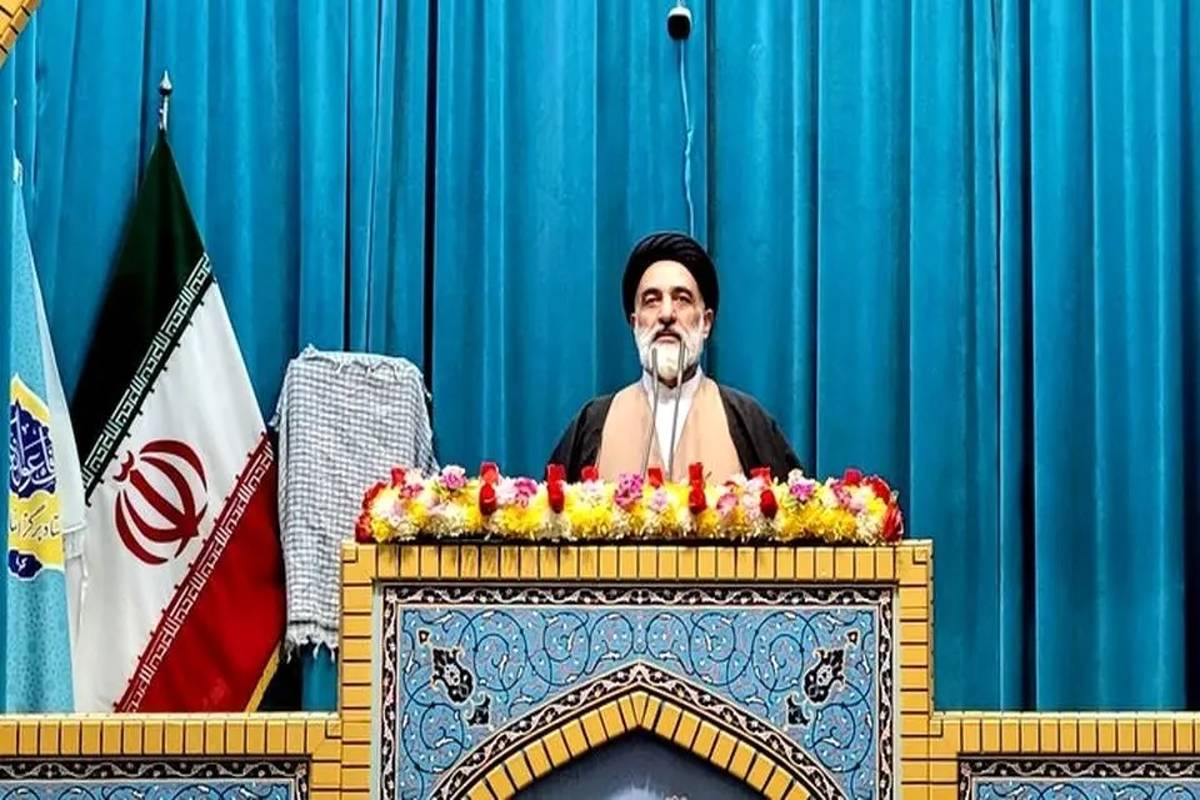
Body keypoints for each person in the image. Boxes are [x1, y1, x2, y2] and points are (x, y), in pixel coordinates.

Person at [549, 231, 801, 483]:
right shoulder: (592, 423)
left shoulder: (748, 422)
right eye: (651, 301)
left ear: (706, 323)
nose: (667, 314)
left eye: (682, 299)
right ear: (635, 323)